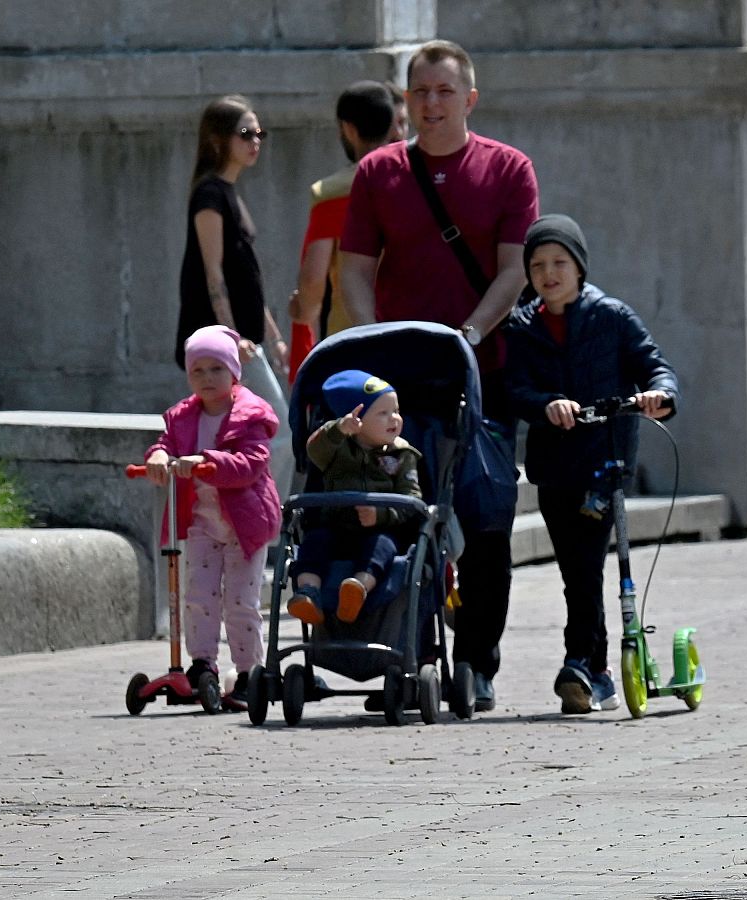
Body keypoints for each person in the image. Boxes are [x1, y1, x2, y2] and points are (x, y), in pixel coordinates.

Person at [340, 39, 540, 713]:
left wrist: (473, 332)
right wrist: (371, 340)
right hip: (399, 380)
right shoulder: (378, 172)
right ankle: (410, 656)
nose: (431, 104)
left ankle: (477, 663)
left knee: (485, 522)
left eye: (444, 92)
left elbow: (514, 268)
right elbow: (356, 269)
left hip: (482, 373)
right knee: (399, 517)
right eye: (419, 92)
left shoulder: (509, 169)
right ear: (405, 101)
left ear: (469, 99)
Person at [503, 215, 679, 714]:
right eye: (537, 265)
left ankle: (583, 664)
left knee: (585, 567)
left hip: (606, 464)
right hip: (556, 468)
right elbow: (516, 389)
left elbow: (654, 364)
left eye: (559, 262)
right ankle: (593, 668)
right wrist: (546, 404)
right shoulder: (523, 327)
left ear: (579, 267)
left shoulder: (612, 317)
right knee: (574, 571)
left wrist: (660, 395)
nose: (549, 273)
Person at [144, 325, 281, 712]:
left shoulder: (250, 415)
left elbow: (252, 463)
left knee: (240, 601)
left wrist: (206, 463)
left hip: (245, 523)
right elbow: (166, 445)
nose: (207, 378)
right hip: (203, 522)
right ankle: (202, 663)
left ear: (234, 372)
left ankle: (248, 671)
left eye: (216, 369)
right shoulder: (183, 416)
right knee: (199, 596)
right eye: (198, 371)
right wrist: (157, 456)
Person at [286, 82, 408, 384]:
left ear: (348, 129)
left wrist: (302, 309)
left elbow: (314, 280)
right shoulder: (418, 180)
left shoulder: (333, 191)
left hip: (351, 338)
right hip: (416, 332)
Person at [285, 370, 422, 626]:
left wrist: (379, 514)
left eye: (396, 410)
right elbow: (315, 449)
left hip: (379, 530)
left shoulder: (403, 455)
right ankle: (308, 593)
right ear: (356, 420)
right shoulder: (337, 451)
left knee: (382, 547)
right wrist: (338, 430)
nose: (394, 418)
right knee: (315, 541)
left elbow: (411, 500)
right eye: (383, 413)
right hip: (335, 527)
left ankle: (357, 588)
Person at [176, 95, 287, 374]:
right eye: (246, 134)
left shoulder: (229, 192)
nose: (255, 141)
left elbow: (246, 275)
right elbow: (214, 274)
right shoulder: (209, 195)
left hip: (245, 343)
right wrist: (231, 339)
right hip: (222, 350)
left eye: (259, 133)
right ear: (217, 139)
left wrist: (276, 340)